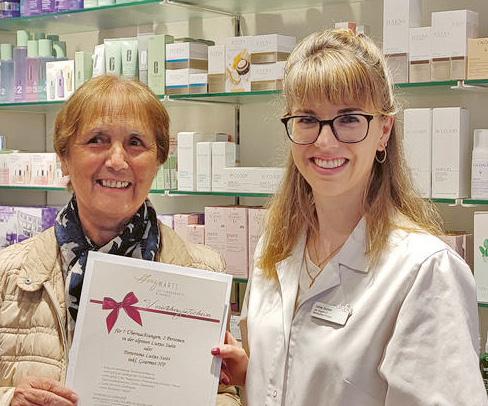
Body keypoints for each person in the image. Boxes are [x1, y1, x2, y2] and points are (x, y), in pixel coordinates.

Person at [212, 29, 488, 405]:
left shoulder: (425, 271)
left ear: (384, 130)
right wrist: (254, 373)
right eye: (307, 119)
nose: (325, 141)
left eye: (349, 119)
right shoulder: (274, 250)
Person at [0, 75, 240, 406]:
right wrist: (10, 399)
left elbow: (224, 395)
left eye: (135, 143)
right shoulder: (8, 273)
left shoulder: (203, 272)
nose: (116, 161)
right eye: (97, 140)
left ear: (158, 160)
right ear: (64, 157)